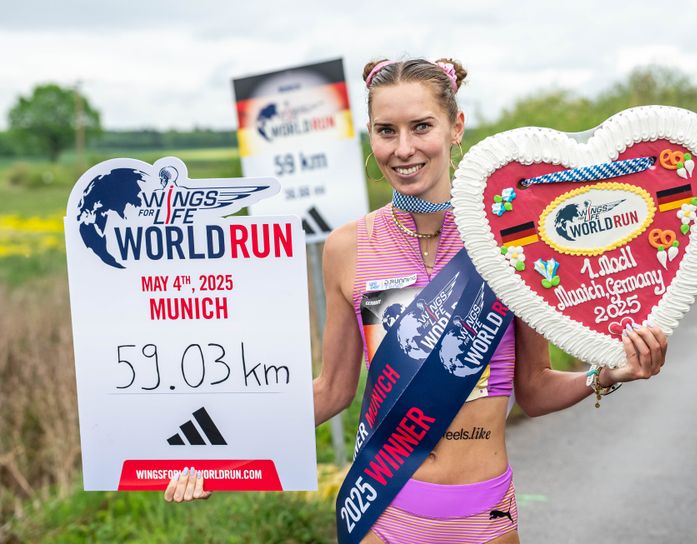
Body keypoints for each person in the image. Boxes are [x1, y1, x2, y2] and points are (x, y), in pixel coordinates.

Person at [165, 57, 669, 544]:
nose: (403, 148)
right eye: (386, 131)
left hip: (485, 516)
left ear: (456, 127)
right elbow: (331, 390)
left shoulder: (508, 244)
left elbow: (533, 389)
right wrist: (226, 456)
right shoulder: (346, 249)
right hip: (382, 510)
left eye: (421, 126)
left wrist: (606, 373)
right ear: (370, 135)